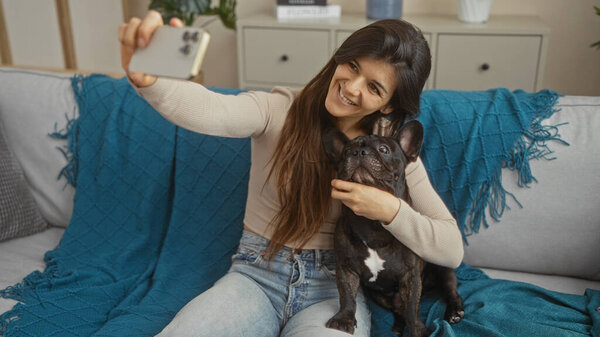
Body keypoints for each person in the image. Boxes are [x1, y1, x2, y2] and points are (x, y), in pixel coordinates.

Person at [118, 10, 464, 337]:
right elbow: (213, 110)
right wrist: (151, 82)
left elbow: (451, 250)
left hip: (336, 289)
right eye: (352, 65)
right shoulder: (277, 109)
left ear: (389, 104)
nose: (352, 87)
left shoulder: (391, 156)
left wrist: (389, 210)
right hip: (255, 276)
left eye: (374, 87)